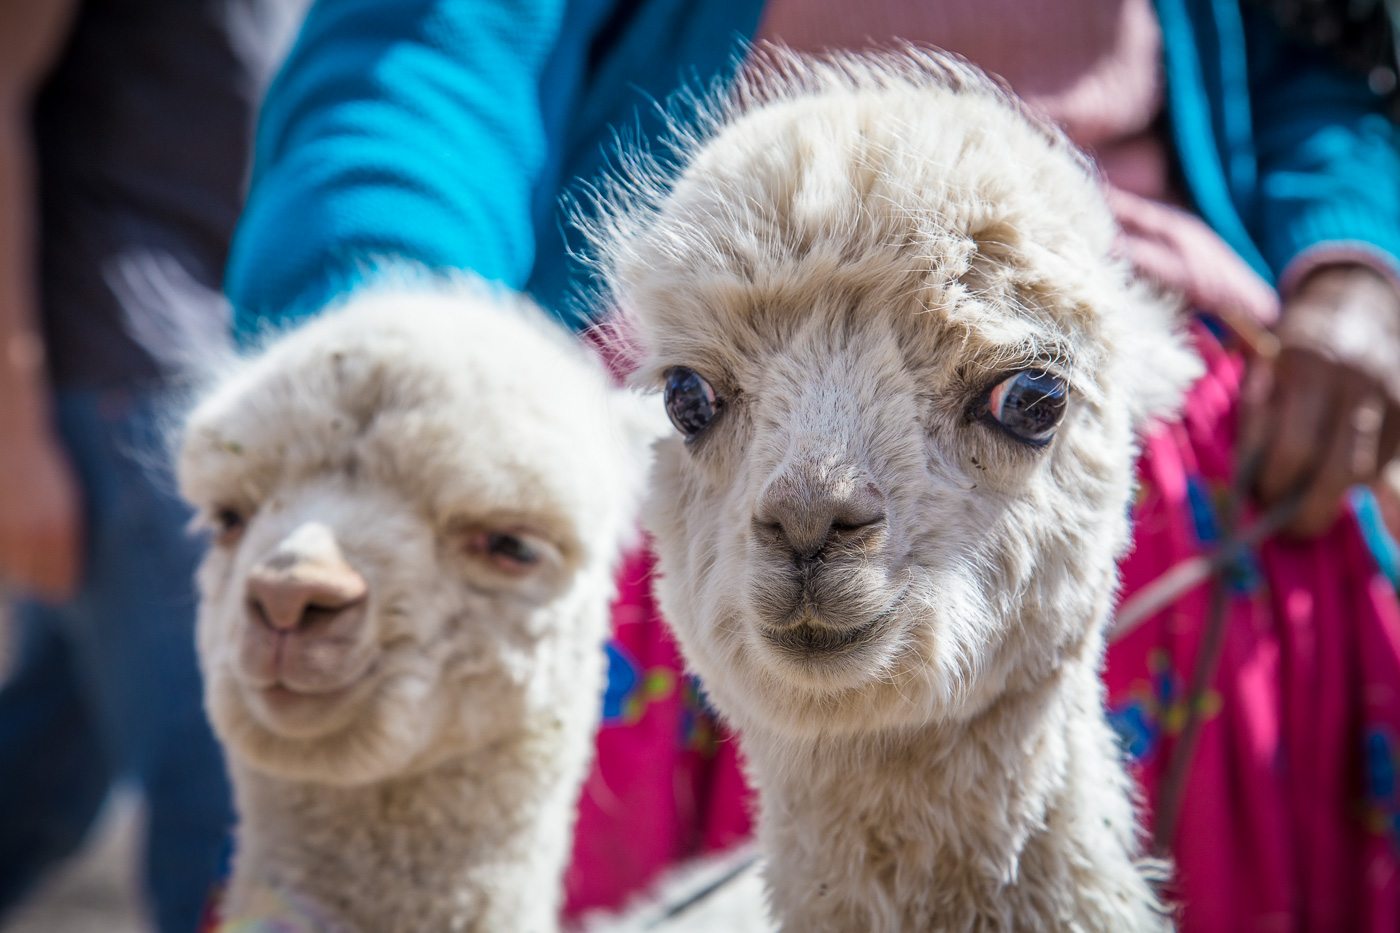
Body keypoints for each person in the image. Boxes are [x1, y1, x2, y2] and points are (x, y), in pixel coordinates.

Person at [224, 0, 1400, 928]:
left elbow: (1313, 49)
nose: (821, 505)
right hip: (696, 429)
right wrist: (400, 363)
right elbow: (428, 59)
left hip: (1147, 435)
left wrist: (1351, 254)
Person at [0, 1, 300, 929]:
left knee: (41, 778)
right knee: (230, 817)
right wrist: (13, 434)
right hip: (122, 386)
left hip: (207, 372)